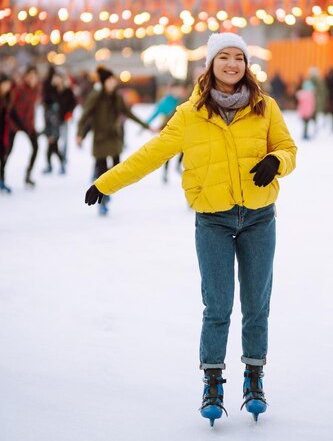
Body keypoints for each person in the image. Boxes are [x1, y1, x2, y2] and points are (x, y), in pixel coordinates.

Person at [83, 33, 297, 425]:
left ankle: (254, 376)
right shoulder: (189, 114)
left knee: (256, 306)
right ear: (211, 64)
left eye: (239, 58)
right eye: (224, 58)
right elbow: (150, 156)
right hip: (213, 220)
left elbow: (288, 148)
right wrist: (105, 182)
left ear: (247, 65)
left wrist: (277, 161)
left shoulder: (265, 107)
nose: (232, 64)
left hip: (259, 218)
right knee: (217, 306)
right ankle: (212, 381)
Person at [77, 66, 150, 215]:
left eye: (113, 80)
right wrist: (79, 134)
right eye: (110, 80)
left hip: (114, 138)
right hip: (100, 139)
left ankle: (105, 190)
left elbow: (128, 113)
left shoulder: (116, 96)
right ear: (104, 82)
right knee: (103, 171)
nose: (113, 83)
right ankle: (103, 201)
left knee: (117, 167)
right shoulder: (96, 96)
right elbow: (85, 115)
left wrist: (146, 126)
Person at [7, 66, 40, 187]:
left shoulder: (36, 89)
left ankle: (28, 174)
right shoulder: (19, 88)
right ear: (26, 76)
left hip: (29, 124)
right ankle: (2, 176)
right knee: (8, 150)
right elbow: (11, 106)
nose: (32, 78)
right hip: (14, 123)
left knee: (36, 147)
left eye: (34, 76)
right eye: (30, 76)